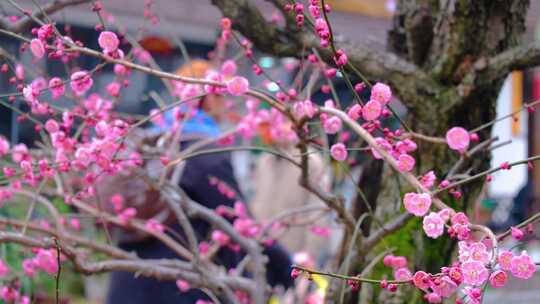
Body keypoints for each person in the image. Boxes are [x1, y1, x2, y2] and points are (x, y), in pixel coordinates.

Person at [103, 60, 293, 304]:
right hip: (173, 287)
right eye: (223, 96)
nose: (226, 105)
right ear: (209, 98)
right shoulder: (203, 154)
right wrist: (289, 270)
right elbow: (242, 226)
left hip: (128, 282)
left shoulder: (149, 148)